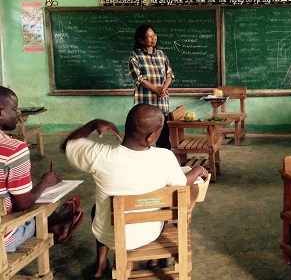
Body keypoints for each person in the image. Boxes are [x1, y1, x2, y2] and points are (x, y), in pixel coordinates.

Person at [61, 103, 208, 280]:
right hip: (149, 233)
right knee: (164, 206)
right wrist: (199, 169)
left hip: (109, 235)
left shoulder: (99, 155)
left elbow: (68, 144)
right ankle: (154, 261)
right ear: (151, 136)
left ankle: (100, 266)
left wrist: (94, 123)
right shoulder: (164, 158)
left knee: (99, 209)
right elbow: (183, 183)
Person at [0, 86, 83, 252]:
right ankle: (59, 222)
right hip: (4, 237)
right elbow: (23, 204)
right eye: (14, 108)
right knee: (38, 206)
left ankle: (58, 223)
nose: (18, 113)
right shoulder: (13, 149)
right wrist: (44, 182)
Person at [128, 24, 174, 149]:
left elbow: (170, 74)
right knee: (143, 136)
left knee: (164, 136)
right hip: (146, 103)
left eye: (154, 35)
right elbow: (138, 78)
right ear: (141, 39)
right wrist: (156, 89)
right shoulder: (135, 56)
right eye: (149, 37)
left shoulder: (161, 55)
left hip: (161, 102)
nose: (153, 39)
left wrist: (163, 88)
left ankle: (163, 163)